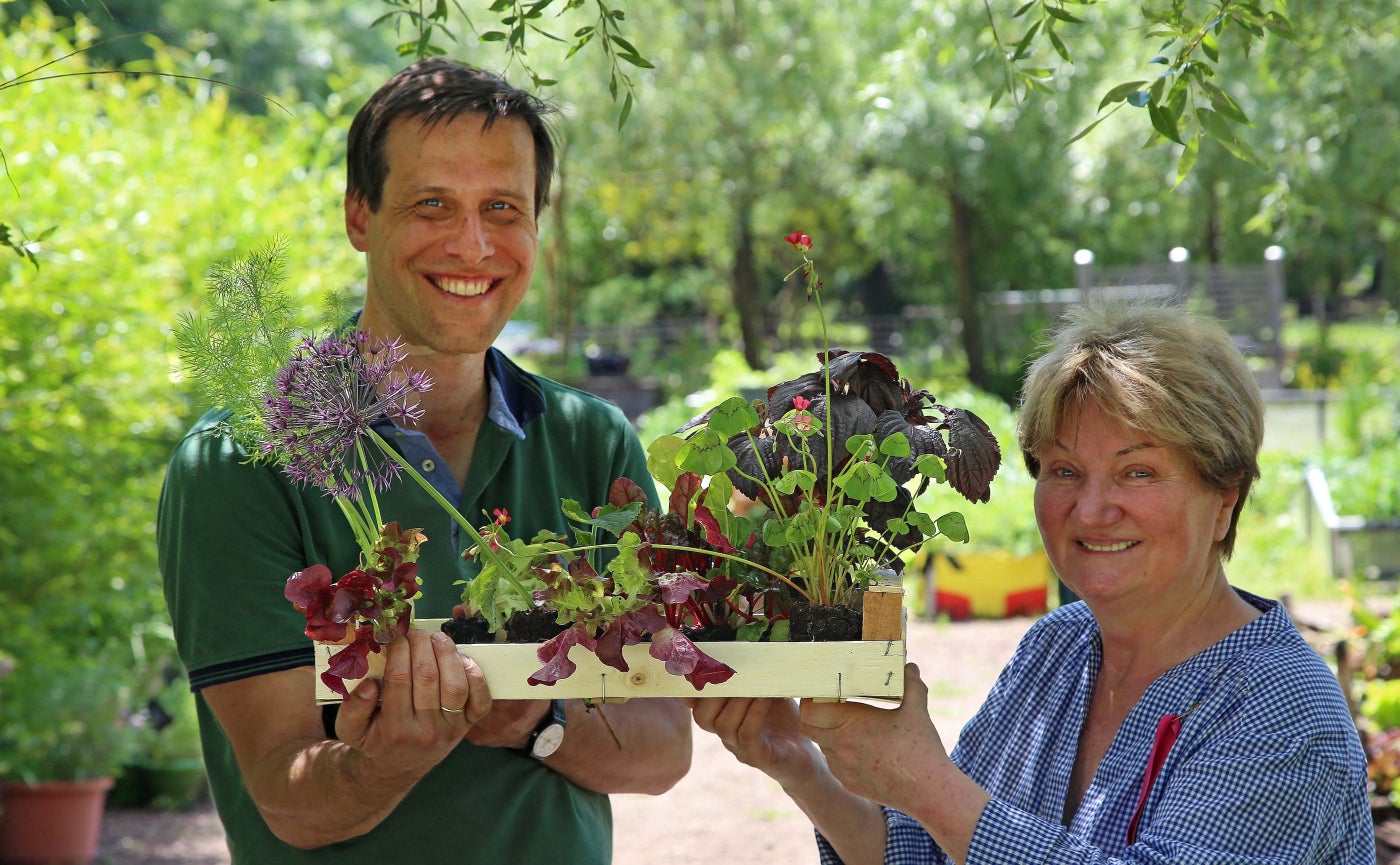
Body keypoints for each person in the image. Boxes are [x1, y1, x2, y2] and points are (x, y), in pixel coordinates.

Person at [157, 58, 691, 863]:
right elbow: (286, 797)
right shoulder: (240, 459)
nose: (472, 245)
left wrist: (535, 722)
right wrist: (386, 759)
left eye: (502, 208)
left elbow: (663, 748)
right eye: (432, 204)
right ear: (359, 216)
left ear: (537, 225)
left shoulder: (591, 440)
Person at [690, 301, 1372, 864]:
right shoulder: (1057, 648)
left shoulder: (1280, 708)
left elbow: (950, 815)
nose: (1092, 508)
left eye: (1137, 471)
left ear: (1225, 493)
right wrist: (802, 765)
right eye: (1064, 469)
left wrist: (931, 787)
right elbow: (935, 853)